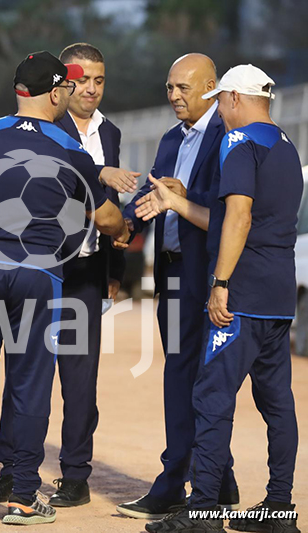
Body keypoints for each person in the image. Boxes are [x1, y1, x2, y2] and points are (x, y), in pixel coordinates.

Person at [0, 51, 129, 526]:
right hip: (40, 278)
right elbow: (105, 218)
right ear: (57, 92)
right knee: (30, 387)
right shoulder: (69, 148)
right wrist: (120, 229)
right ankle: (22, 497)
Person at [144, 64, 303, 533]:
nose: (218, 110)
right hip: (279, 296)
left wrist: (220, 282)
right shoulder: (287, 145)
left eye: (220, 101)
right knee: (278, 405)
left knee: (211, 400)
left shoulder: (238, 142)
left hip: (242, 296)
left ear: (234, 97)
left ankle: (204, 512)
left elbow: (238, 216)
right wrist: (178, 202)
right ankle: (278, 510)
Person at [0, 42, 139, 508]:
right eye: (81, 79)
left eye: (99, 80)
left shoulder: (111, 131)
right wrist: (98, 173)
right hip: (40, 267)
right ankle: (12, 470)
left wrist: (115, 268)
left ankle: (75, 476)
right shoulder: (44, 127)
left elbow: (113, 212)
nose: (90, 88)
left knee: (79, 379)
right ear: (62, 84)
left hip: (88, 273)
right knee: (24, 374)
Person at [113, 53, 239, 520]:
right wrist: (124, 224)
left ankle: (173, 482)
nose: (173, 96)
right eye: (169, 87)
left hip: (203, 270)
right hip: (169, 269)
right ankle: (219, 479)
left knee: (188, 377)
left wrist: (186, 197)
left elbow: (229, 207)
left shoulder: (228, 136)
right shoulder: (170, 138)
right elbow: (154, 195)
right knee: (188, 375)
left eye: (183, 87)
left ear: (211, 86)